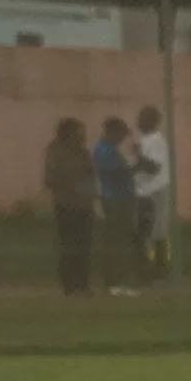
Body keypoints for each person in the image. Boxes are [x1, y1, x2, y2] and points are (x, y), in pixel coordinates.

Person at [43, 118, 97, 296]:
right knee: (68, 245)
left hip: (84, 205)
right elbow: (50, 179)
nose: (82, 136)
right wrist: (70, 185)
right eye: (77, 132)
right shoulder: (55, 152)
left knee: (84, 246)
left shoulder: (83, 153)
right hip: (66, 204)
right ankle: (69, 284)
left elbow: (91, 173)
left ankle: (83, 284)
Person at [92, 116, 140, 295]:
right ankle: (113, 281)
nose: (122, 138)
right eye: (121, 133)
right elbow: (116, 173)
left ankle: (122, 279)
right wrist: (135, 164)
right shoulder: (103, 149)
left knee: (123, 240)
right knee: (114, 240)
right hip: (113, 199)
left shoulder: (112, 150)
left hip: (123, 199)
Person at [132, 105, 172, 283]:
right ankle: (146, 270)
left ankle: (160, 270)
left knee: (157, 231)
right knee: (144, 232)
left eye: (143, 117)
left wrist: (137, 157)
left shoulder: (156, 141)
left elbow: (153, 167)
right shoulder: (144, 140)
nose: (139, 120)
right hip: (143, 191)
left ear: (153, 121)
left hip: (155, 191)